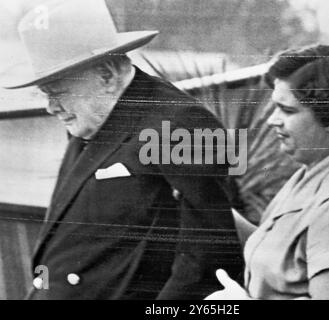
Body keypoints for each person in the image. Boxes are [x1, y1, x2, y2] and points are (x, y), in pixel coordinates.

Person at [2, 0, 242, 299]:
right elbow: (60, 243)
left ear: (106, 75)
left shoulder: (179, 125)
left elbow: (209, 259)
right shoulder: (91, 116)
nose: (51, 107)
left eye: (58, 92)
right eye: (46, 94)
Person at [206, 44, 329, 300]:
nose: (272, 120)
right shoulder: (317, 173)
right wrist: (209, 200)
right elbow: (280, 257)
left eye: (287, 110)